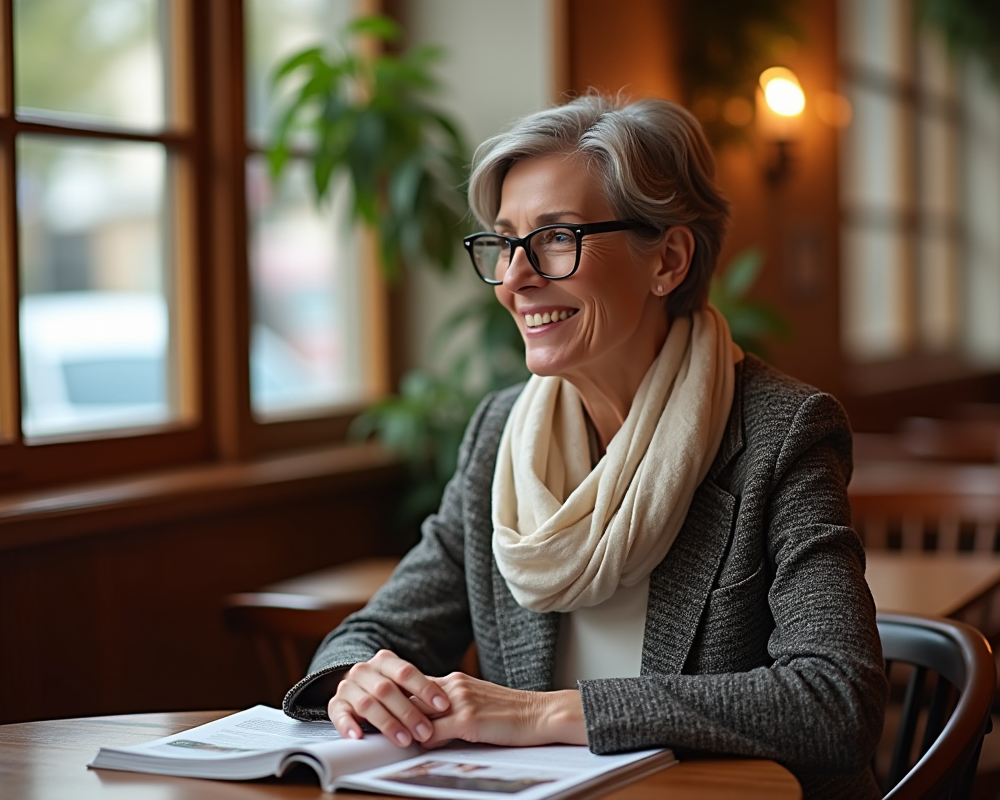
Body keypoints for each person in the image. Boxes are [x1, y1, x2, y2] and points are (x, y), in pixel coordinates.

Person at [284, 93, 888, 798]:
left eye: (557, 238)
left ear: (667, 259)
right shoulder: (499, 436)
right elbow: (377, 630)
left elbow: (836, 701)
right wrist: (361, 679)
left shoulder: (780, 433)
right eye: (505, 242)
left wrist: (544, 715)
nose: (514, 279)